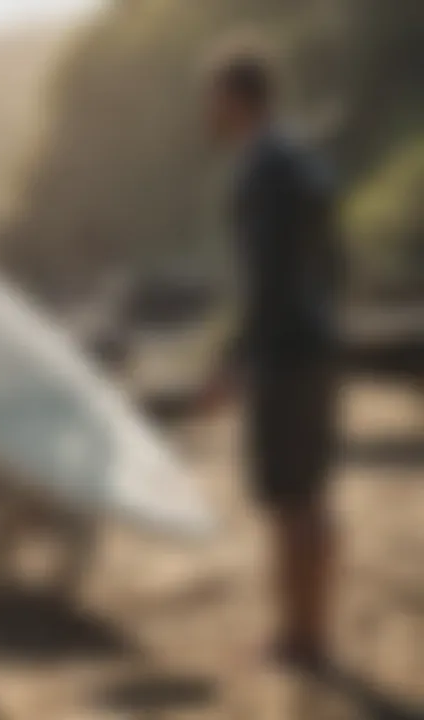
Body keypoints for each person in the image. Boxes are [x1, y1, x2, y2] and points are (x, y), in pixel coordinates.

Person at [197, 48, 343, 671]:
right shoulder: (306, 160)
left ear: (235, 98)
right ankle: (310, 630)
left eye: (213, 96)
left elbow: (266, 281)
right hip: (319, 343)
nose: (207, 109)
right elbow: (332, 264)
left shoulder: (261, 170)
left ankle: (298, 639)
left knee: (290, 502)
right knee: (309, 496)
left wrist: (236, 360)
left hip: (284, 353)